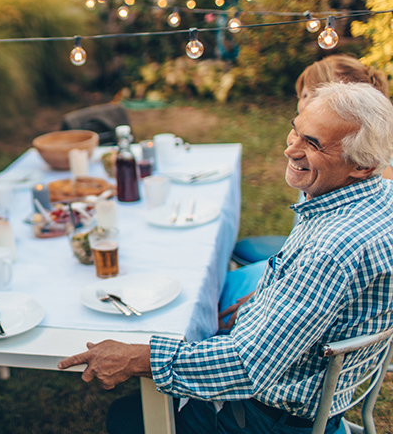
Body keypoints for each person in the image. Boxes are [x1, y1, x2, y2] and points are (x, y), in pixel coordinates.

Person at [59, 82, 393, 434]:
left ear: (362, 166)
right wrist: (273, 298)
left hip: (268, 420)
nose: (290, 149)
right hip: (311, 389)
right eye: (296, 131)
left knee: (127, 418)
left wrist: (137, 358)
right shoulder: (378, 196)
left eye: (312, 143)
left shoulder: (331, 250)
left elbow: (246, 367)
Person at [218, 54, 393, 330]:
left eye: (312, 94)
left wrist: (265, 302)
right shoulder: (335, 174)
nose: (305, 103)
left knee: (209, 291)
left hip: (314, 275)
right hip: (301, 266)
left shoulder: (370, 179)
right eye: (303, 96)